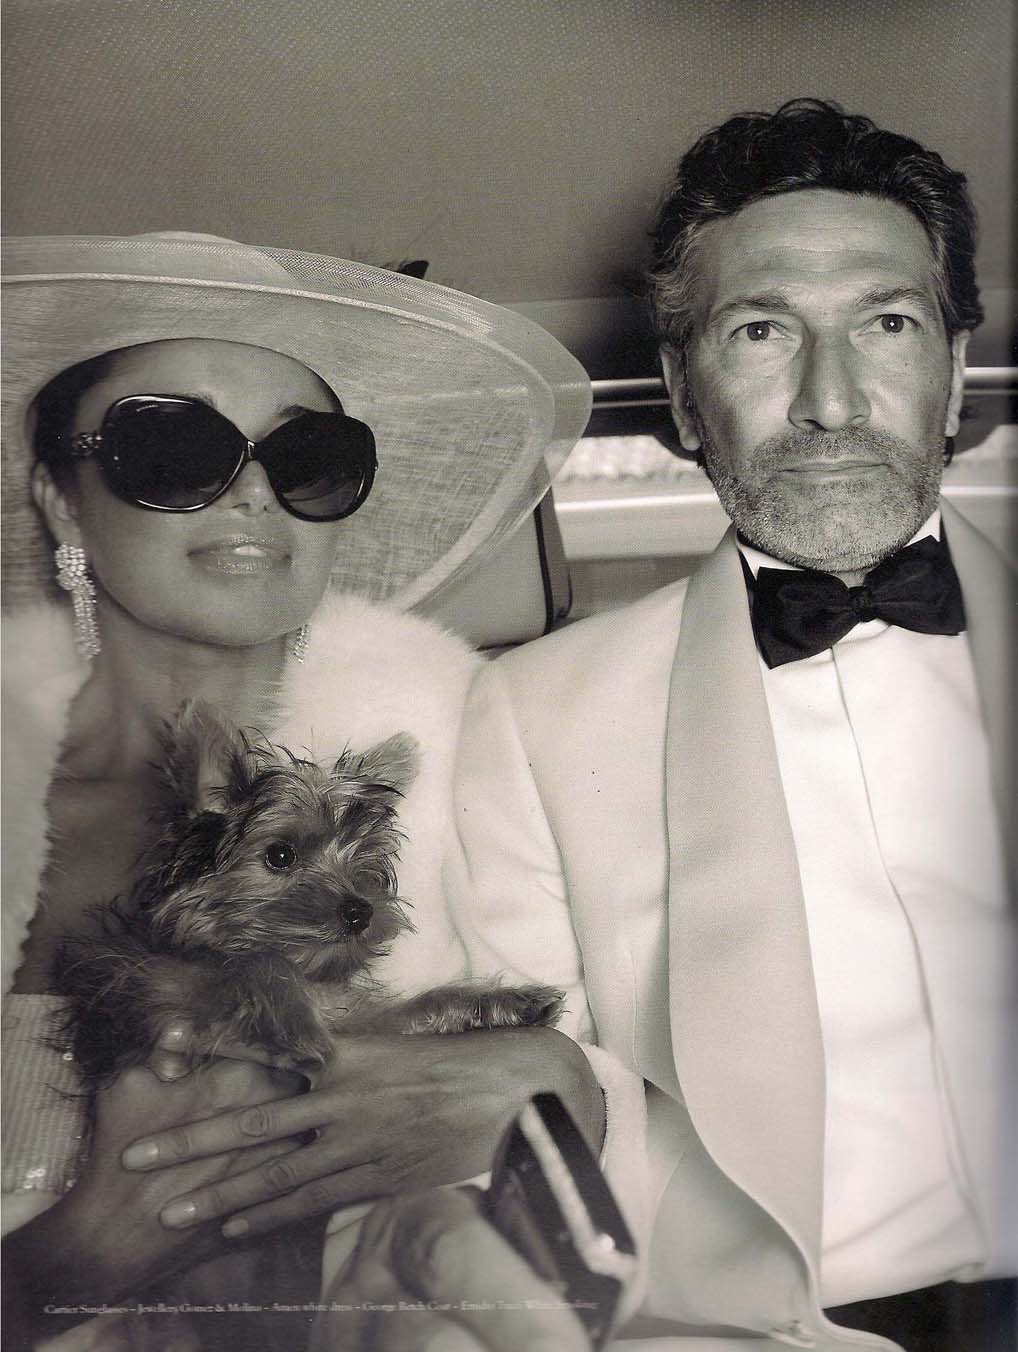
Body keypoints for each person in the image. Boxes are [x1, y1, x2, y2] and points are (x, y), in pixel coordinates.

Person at [426, 100, 1013, 1350]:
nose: (830, 401)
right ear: (683, 399)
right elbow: (539, 1128)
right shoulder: (528, 721)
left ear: (955, 370)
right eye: (760, 332)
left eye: (888, 324)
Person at [0, 232, 640, 1349]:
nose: (254, 494)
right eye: (174, 447)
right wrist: (80, 1253)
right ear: (62, 500)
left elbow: (648, 1076)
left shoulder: (490, 745)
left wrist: (558, 1083)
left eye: (308, 459)